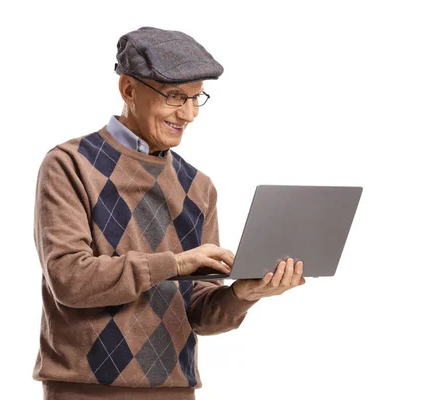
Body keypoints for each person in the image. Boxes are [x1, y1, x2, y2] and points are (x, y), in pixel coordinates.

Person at [32, 26, 306, 400]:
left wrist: (245, 294)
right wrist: (174, 264)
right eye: (176, 97)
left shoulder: (199, 187)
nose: (189, 114)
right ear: (128, 90)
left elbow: (199, 314)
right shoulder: (69, 164)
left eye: (197, 98)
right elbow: (69, 279)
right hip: (85, 390)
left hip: (175, 389)